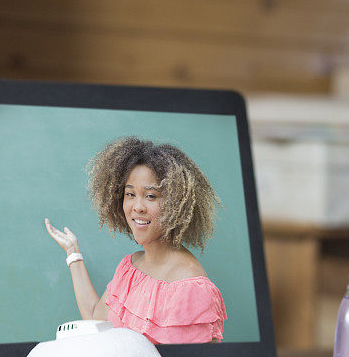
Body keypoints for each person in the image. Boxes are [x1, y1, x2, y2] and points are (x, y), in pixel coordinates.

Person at [45, 137, 226, 344]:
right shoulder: (130, 268)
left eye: (150, 196)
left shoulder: (189, 286)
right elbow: (96, 319)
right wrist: (73, 253)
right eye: (130, 194)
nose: (137, 207)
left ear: (176, 203)